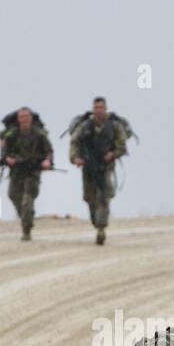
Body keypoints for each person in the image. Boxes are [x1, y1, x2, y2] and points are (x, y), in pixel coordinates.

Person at [69, 97, 128, 245]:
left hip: (106, 167)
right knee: (89, 198)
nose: (99, 110)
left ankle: (101, 229)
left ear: (106, 108)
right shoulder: (85, 126)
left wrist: (112, 154)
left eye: (101, 107)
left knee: (104, 197)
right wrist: (75, 158)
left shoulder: (114, 126)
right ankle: (97, 222)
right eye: (96, 107)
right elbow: (74, 142)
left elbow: (122, 146)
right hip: (88, 167)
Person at [0, 107, 53, 240]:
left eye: (26, 117)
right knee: (13, 195)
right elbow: (4, 153)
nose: (24, 120)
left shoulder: (39, 134)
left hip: (33, 172)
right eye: (21, 117)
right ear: (18, 119)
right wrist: (7, 159)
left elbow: (49, 151)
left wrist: (47, 161)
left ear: (31, 118)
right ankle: (26, 217)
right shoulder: (12, 135)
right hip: (17, 171)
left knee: (27, 200)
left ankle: (26, 230)